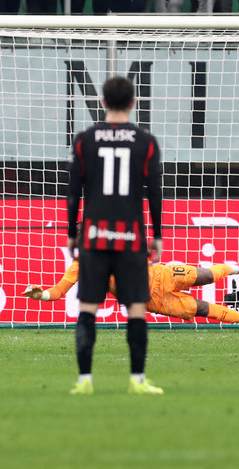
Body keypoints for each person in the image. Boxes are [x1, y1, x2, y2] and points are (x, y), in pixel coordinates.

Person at [65, 75, 164, 396]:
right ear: (133, 103)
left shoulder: (84, 140)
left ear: (103, 102)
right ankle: (137, 378)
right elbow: (155, 193)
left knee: (88, 307)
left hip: (94, 236)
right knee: (136, 307)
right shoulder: (146, 142)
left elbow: (73, 192)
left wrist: (71, 233)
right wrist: (158, 235)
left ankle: (84, 381)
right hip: (131, 238)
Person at [24, 257, 239, 331]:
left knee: (206, 276)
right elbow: (57, 292)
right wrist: (41, 295)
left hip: (162, 275)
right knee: (202, 310)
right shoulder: (79, 267)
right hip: (152, 299)